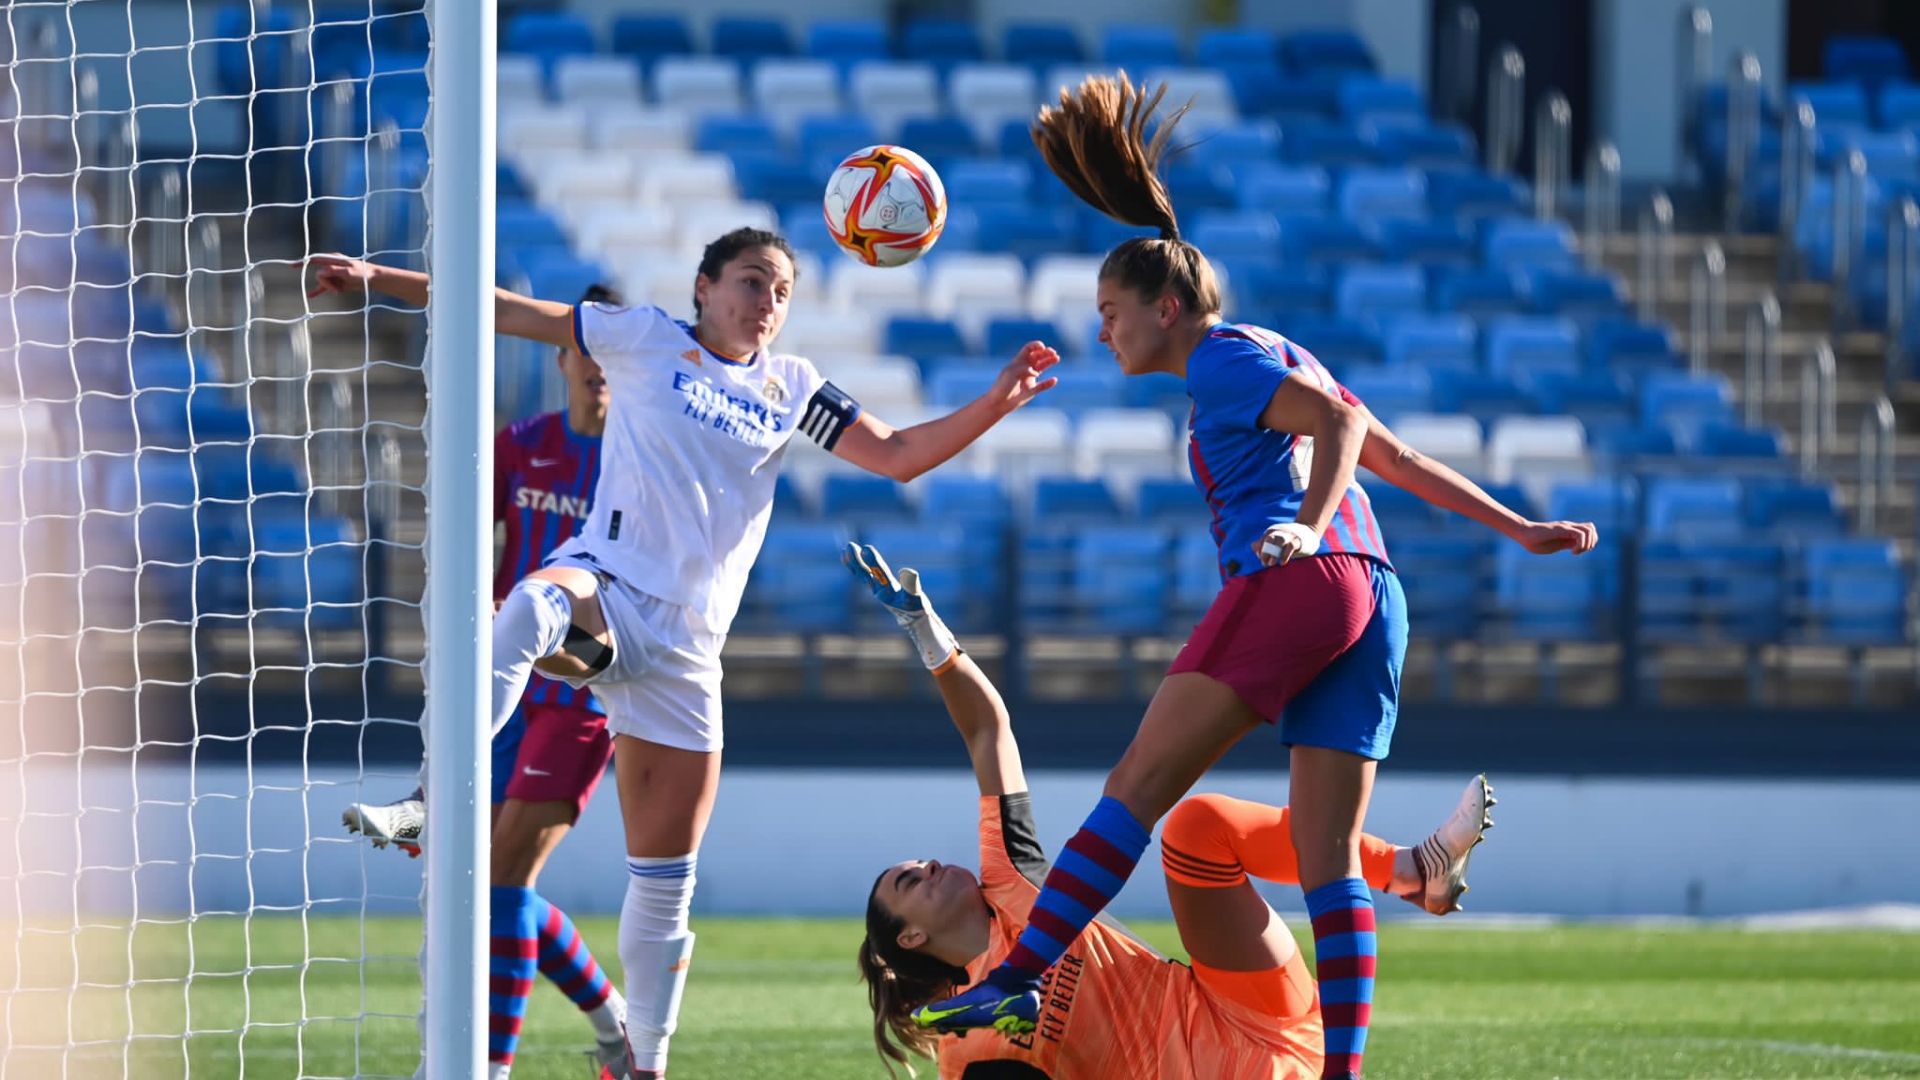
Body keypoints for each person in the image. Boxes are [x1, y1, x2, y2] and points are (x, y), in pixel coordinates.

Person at [915, 76, 1597, 1080]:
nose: (1105, 333)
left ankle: (1020, 974)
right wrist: (1517, 525)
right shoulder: (1265, 352)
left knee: (1135, 789)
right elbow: (1394, 459)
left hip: (1304, 586)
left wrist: (1304, 530)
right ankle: (1341, 1072)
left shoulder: (1223, 362)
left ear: (1169, 305)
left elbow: (1348, 432)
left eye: (1112, 312)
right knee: (1326, 857)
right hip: (1377, 597)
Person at [307, 228, 1060, 1079]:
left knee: (666, 882)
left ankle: (645, 1064)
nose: (764, 303)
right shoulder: (644, 337)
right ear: (703, 288)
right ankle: (430, 797)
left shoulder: (792, 387)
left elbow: (896, 456)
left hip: (689, 654)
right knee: (532, 605)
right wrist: (378, 276)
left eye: (779, 292)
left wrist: (998, 400)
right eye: (749, 282)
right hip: (613, 591)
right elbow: (507, 311)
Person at [844, 542, 1496, 1080]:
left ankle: (1412, 869)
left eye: (918, 863)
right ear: (911, 939)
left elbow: (989, 733)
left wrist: (928, 635)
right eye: (910, 881)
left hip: (1253, 1008)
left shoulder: (1011, 883)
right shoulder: (968, 1050)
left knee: (1196, 827)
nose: (929, 865)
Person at [341, 283, 630, 1078]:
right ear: (564, 356)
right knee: (484, 879)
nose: (599, 366)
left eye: (614, 353)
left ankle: (490, 1070)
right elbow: (465, 535)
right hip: (506, 686)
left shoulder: (643, 463)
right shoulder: (524, 442)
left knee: (500, 881)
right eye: (586, 349)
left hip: (582, 691)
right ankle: (617, 1022)